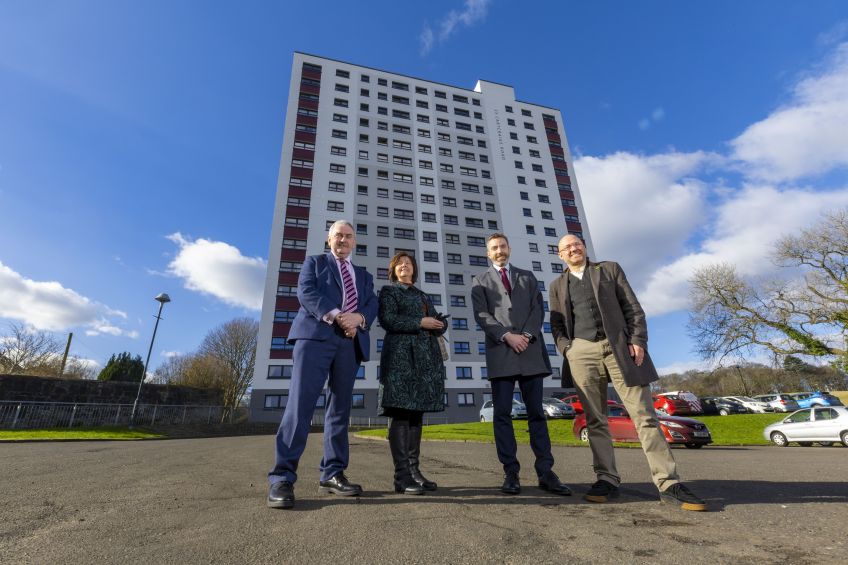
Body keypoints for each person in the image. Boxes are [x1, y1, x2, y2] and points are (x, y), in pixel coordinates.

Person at [548, 234, 706, 511]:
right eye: (567, 248)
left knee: (645, 417)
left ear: (584, 247)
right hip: (582, 351)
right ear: (560, 255)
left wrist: (637, 340)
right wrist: (567, 350)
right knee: (595, 420)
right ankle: (606, 479)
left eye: (577, 244)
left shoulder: (609, 269)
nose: (573, 249)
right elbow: (557, 325)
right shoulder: (557, 285)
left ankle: (668, 483)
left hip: (619, 347)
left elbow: (633, 307)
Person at [267, 220, 378, 509]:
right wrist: (340, 315)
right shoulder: (314, 263)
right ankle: (282, 478)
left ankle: (333, 473)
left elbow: (371, 304)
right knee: (300, 405)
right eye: (338, 235)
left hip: (350, 344)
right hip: (316, 337)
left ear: (355, 242)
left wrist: (360, 319)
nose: (343, 240)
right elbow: (306, 292)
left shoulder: (364, 276)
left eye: (348, 236)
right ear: (329, 240)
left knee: (339, 410)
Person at [471, 233, 571, 496]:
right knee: (502, 415)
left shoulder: (527, 276)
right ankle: (511, 473)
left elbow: (538, 310)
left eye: (503, 246)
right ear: (488, 253)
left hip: (530, 352)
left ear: (509, 249)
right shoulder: (479, 281)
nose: (499, 250)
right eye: (494, 248)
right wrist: (507, 335)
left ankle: (546, 473)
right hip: (501, 351)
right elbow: (481, 315)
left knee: (537, 413)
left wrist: (525, 336)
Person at [378, 252, 447, 495]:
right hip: (399, 360)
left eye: (408, 263)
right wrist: (421, 322)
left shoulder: (423, 295)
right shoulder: (389, 292)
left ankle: (415, 472)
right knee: (401, 413)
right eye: (400, 264)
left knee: (416, 415)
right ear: (394, 270)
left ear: (414, 269)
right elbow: (387, 320)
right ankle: (401, 476)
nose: (404, 266)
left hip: (424, 361)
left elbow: (435, 320)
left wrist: (440, 323)